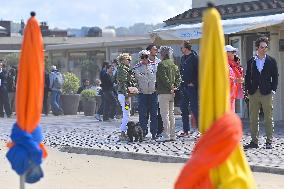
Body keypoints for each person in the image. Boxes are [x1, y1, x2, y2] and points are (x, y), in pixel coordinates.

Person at [244, 37, 279, 149]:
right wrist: (248, 90)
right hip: (253, 93)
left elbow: (275, 77)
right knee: (253, 118)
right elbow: (247, 77)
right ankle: (254, 141)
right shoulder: (251, 61)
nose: (264, 49)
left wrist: (273, 89)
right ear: (257, 48)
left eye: (265, 47)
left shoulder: (271, 61)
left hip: (267, 92)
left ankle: (269, 141)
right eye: (262, 47)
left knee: (268, 117)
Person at [156, 46, 181, 142]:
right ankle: (173, 135)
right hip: (172, 93)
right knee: (171, 115)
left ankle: (166, 135)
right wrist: (174, 87)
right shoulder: (174, 65)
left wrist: (170, 87)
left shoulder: (161, 65)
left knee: (164, 114)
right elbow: (179, 78)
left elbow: (164, 78)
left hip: (164, 92)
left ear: (163, 54)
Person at [133, 50, 158, 139]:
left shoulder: (155, 65)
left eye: (146, 57)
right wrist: (136, 88)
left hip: (153, 93)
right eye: (142, 57)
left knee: (154, 114)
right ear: (140, 58)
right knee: (143, 114)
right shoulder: (136, 68)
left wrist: (157, 87)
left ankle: (154, 133)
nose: (144, 59)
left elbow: (158, 77)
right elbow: (133, 80)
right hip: (142, 94)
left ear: (148, 56)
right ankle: (143, 132)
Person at [179, 41, 199, 137]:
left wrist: (194, 83)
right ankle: (186, 130)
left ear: (186, 48)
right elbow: (180, 71)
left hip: (192, 88)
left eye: (181, 48)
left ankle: (199, 129)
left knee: (195, 108)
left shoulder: (195, 58)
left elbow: (199, 72)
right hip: (183, 87)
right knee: (183, 109)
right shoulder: (182, 58)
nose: (180, 49)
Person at [116, 53, 137, 141]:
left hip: (125, 95)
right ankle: (122, 133)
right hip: (125, 96)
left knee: (126, 113)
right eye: (128, 59)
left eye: (130, 59)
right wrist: (127, 96)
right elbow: (123, 83)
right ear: (122, 60)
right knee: (126, 114)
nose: (129, 61)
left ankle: (123, 133)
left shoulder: (125, 69)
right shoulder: (122, 69)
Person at [147, 44, 164, 136]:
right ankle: (146, 131)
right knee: (148, 112)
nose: (156, 50)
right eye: (154, 49)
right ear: (149, 51)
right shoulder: (145, 62)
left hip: (158, 90)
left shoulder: (159, 61)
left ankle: (159, 131)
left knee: (159, 111)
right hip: (147, 91)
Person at [225, 45, 244, 112]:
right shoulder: (223, 64)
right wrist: (236, 80)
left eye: (234, 52)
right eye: (233, 52)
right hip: (226, 95)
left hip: (232, 93)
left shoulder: (234, 64)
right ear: (226, 53)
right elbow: (224, 79)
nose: (234, 53)